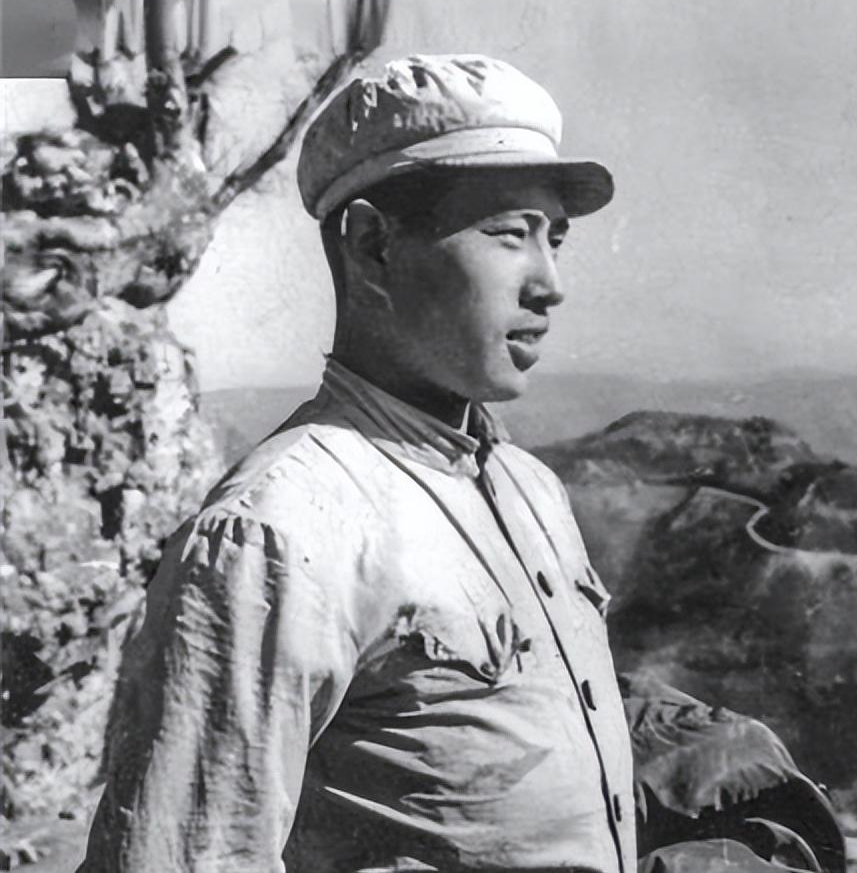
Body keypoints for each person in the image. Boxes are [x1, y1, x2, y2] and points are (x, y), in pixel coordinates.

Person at [78, 54, 633, 873]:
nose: (549, 285)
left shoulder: (531, 488)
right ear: (372, 247)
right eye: (509, 233)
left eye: (555, 238)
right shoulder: (275, 530)